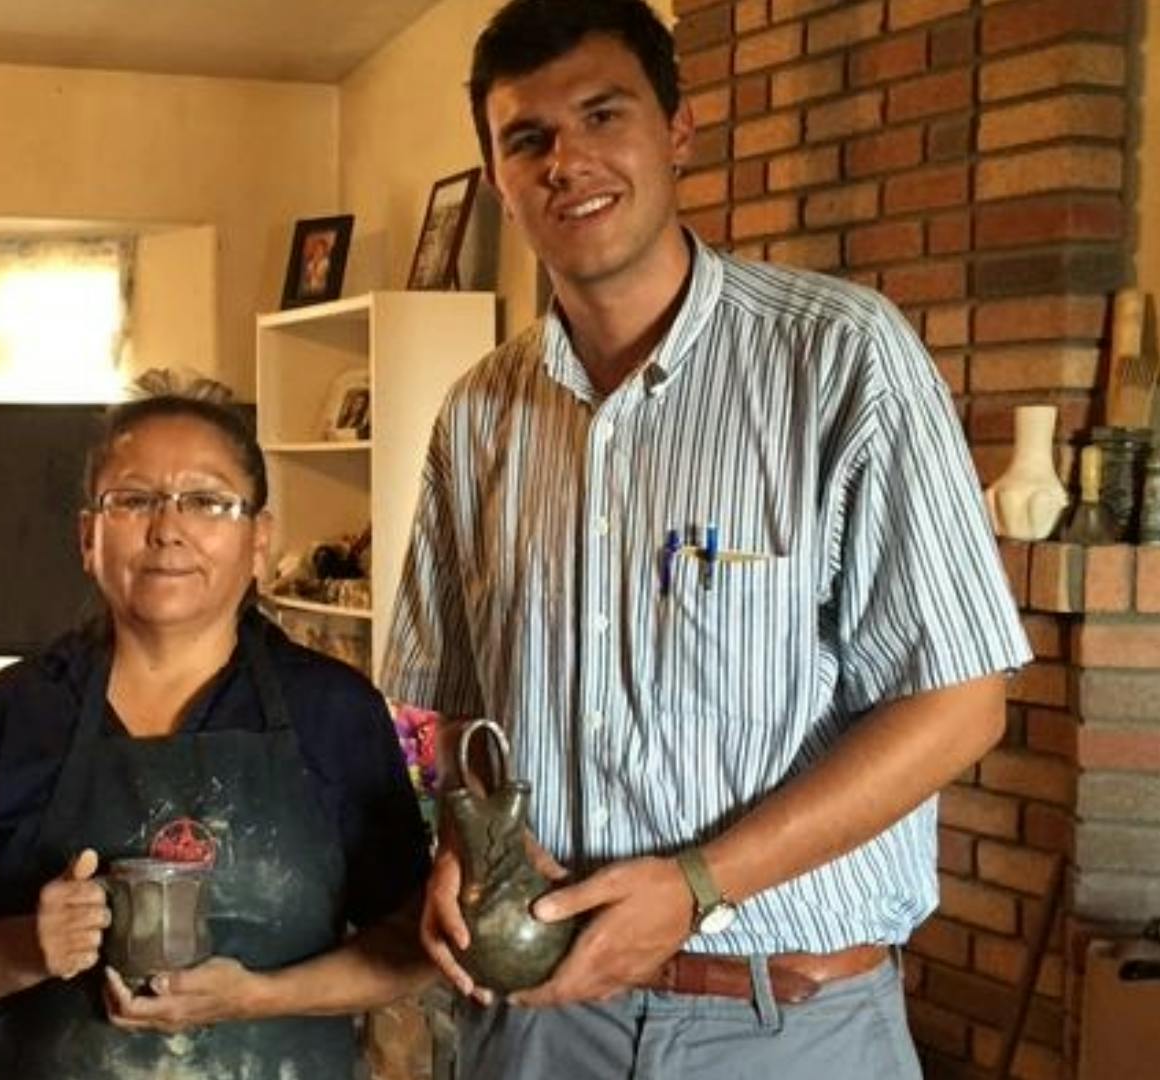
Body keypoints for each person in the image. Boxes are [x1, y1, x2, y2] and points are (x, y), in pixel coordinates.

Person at [384, 1, 1032, 1077]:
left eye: (604, 114)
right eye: (528, 138)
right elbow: (424, 702)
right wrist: (456, 825)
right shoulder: (475, 417)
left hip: (791, 1022)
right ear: (495, 175)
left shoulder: (839, 361)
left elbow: (961, 704)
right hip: (538, 1029)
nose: (568, 163)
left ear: (680, 128)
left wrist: (696, 884)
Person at [0, 395, 433, 1078]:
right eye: (133, 500)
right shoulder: (15, 713)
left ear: (259, 539)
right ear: (87, 537)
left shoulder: (334, 713)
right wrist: (24, 949)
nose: (168, 529)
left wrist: (260, 997)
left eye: (207, 502)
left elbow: (412, 943)